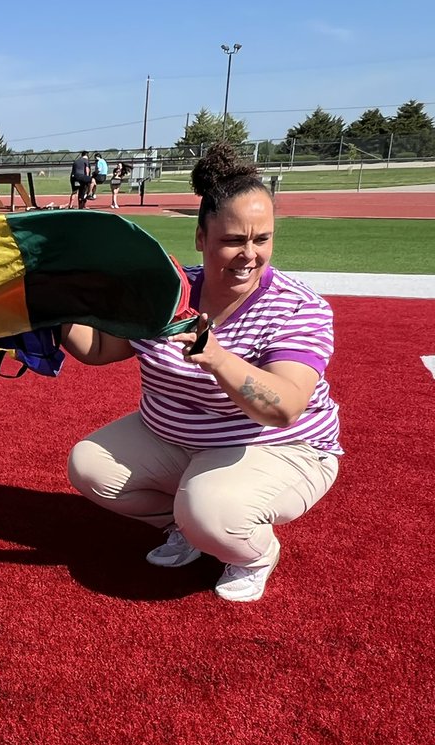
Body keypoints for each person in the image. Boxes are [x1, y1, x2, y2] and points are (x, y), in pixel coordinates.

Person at [62, 142, 342, 602]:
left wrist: (216, 356)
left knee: (210, 509)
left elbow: (286, 407)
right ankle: (186, 526)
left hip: (278, 445)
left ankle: (253, 552)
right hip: (178, 437)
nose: (249, 254)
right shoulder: (168, 291)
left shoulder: (297, 306)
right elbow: (99, 348)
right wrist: (53, 313)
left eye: (262, 238)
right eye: (233, 240)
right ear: (200, 238)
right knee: (90, 466)